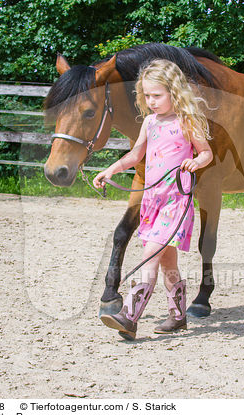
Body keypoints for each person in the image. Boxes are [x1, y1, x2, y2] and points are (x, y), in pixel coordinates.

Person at [93, 59, 213, 340]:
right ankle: (179, 317)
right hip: (152, 202)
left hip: (176, 203)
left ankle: (129, 317)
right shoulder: (149, 122)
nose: (151, 101)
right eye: (147, 95)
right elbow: (136, 155)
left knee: (150, 258)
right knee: (168, 262)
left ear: (175, 92)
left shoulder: (187, 121)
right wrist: (111, 169)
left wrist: (197, 162)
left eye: (157, 95)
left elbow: (207, 153)